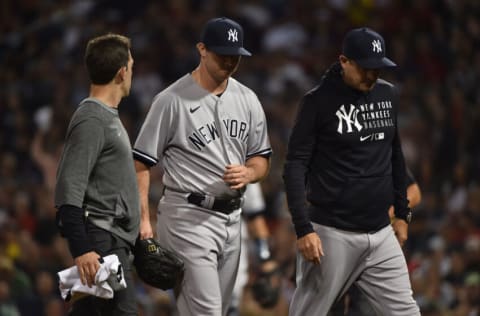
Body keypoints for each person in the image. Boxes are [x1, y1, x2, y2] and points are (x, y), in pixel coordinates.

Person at [133, 17, 272, 316]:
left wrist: (249, 172)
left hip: (234, 221)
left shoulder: (248, 99)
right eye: (222, 54)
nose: (230, 62)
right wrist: (144, 222)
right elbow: (140, 163)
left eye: (235, 56)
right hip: (187, 217)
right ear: (202, 49)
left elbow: (262, 159)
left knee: (219, 311)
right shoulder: (170, 100)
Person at [283, 27, 420, 315]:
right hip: (333, 235)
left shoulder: (387, 94)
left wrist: (403, 213)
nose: (372, 74)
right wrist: (303, 229)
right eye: (366, 68)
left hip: (381, 234)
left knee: (406, 312)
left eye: (377, 68)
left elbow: (395, 155)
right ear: (344, 61)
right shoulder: (318, 101)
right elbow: (295, 165)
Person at [54, 33, 139, 315]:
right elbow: (69, 188)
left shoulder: (104, 116)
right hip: (102, 242)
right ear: (122, 72)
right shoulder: (92, 118)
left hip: (111, 238)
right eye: (131, 66)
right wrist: (82, 248)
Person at [334, 167, 422, 315]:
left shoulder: (377, 149)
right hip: (337, 244)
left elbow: (414, 191)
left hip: (373, 249)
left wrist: (392, 214)